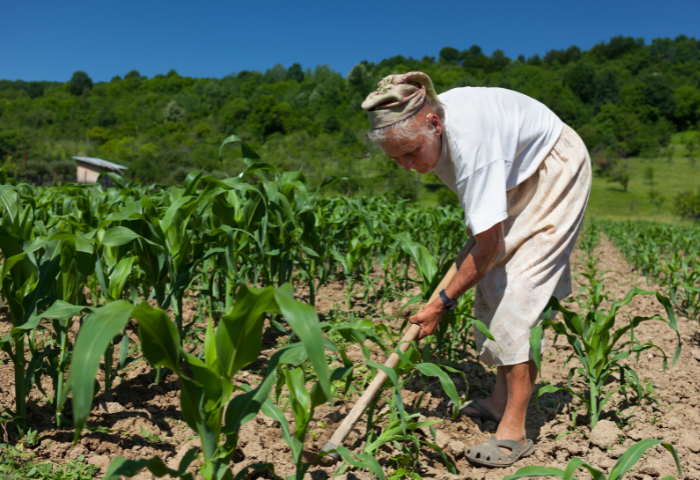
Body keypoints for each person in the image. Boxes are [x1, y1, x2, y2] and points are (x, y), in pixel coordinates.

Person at [362, 72, 591, 468]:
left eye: (411, 152)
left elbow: (488, 247)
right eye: (396, 157)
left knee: (518, 294)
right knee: (492, 284)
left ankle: (515, 430)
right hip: (513, 174)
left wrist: (441, 303)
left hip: (554, 168)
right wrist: (442, 296)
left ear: (434, 123)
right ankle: (499, 401)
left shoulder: (471, 145)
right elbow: (485, 243)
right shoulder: (435, 132)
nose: (406, 165)